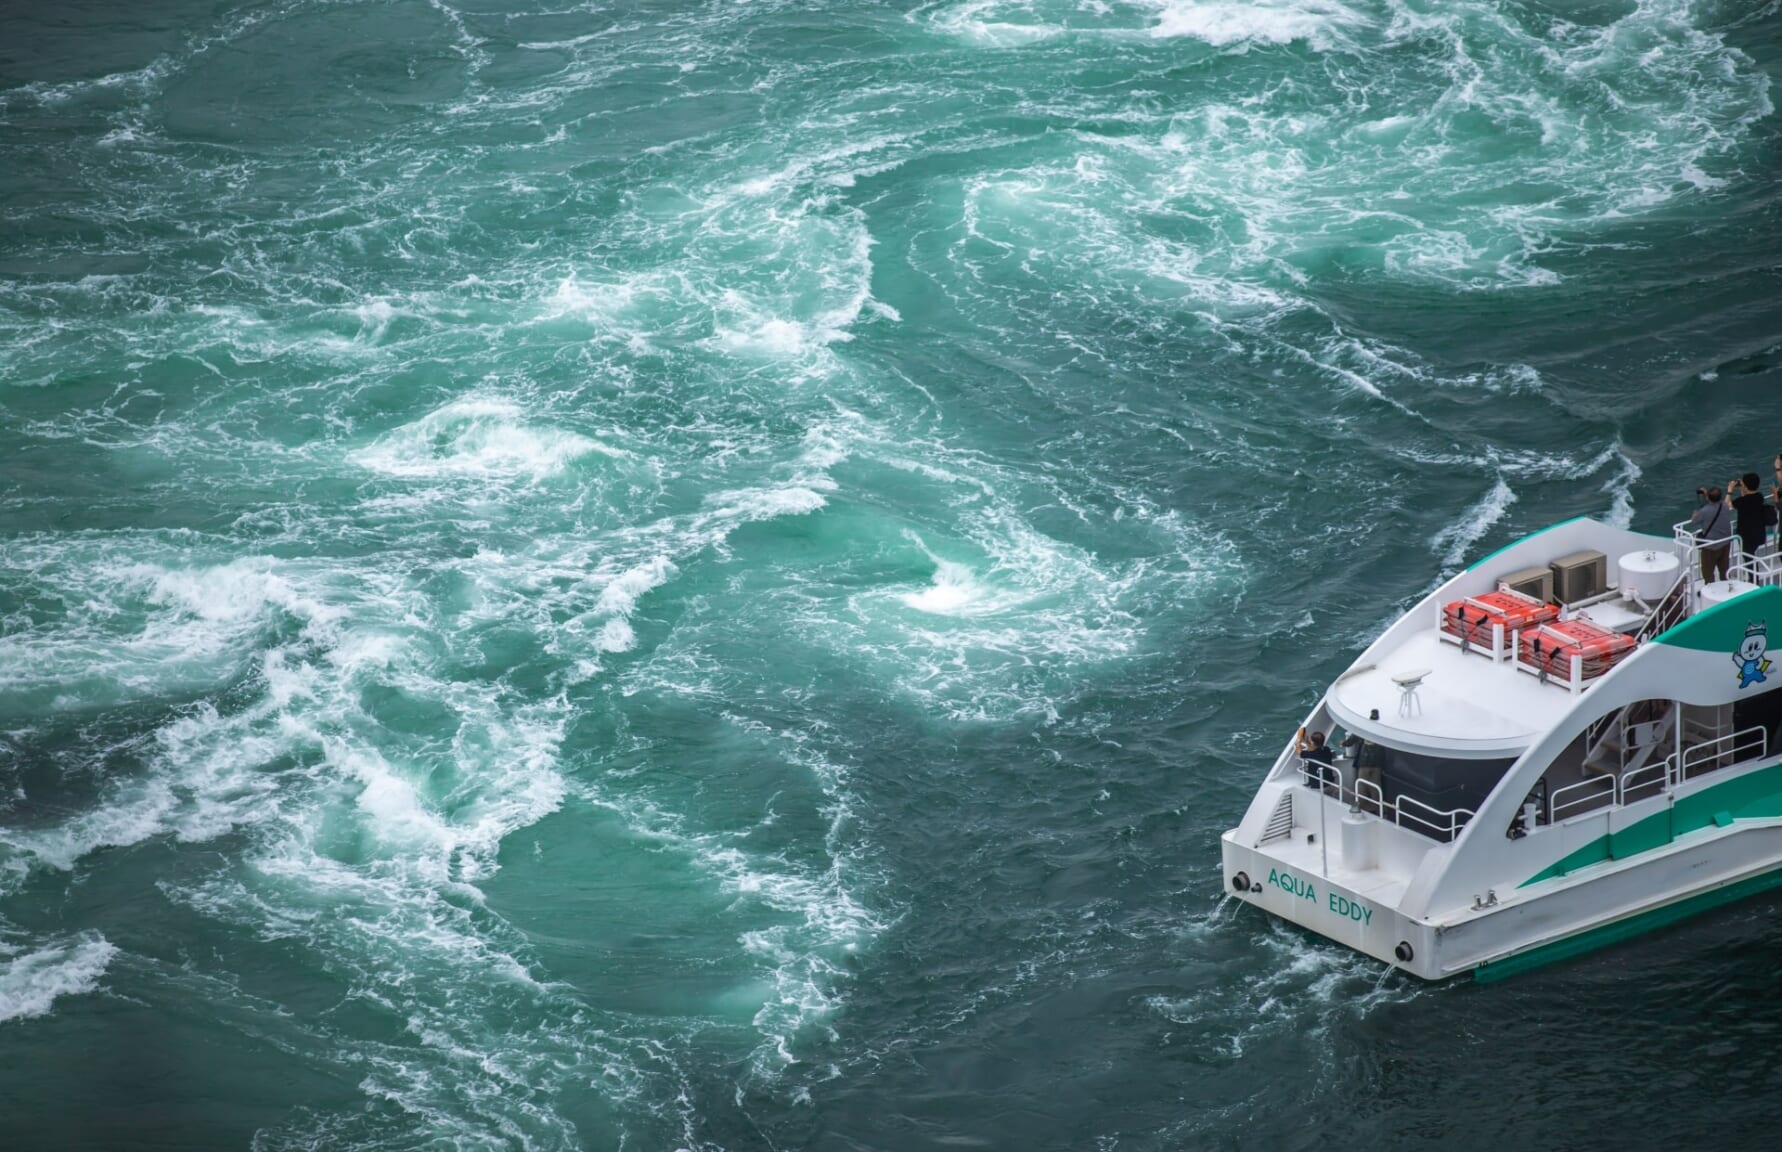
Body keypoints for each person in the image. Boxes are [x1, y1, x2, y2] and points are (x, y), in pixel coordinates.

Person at [1691, 485, 1731, 584]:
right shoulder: (1725, 506)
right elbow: (1717, 504)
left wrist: (1695, 513)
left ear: (1708, 497)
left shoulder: (1704, 511)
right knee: (1724, 569)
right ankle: (1725, 585)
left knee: (1708, 571)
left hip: (1710, 546)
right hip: (1725, 543)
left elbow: (1694, 520)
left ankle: (1710, 589)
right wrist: (1707, 495)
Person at [1730, 472, 1768, 563]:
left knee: (1748, 558)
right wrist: (1743, 488)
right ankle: (1754, 575)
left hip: (1746, 535)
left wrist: (1729, 490)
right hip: (1758, 532)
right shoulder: (1759, 497)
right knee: (1751, 555)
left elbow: (1727, 505)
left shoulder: (1741, 501)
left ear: (1745, 486)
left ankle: (1753, 577)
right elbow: (1747, 498)